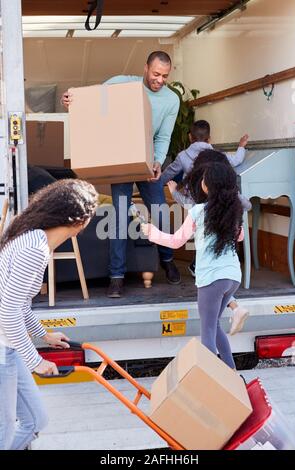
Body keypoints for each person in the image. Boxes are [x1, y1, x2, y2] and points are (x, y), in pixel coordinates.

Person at [61, 51, 181, 298]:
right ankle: (117, 276)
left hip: (147, 163)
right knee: (120, 216)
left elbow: (164, 136)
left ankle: (167, 258)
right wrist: (70, 98)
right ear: (146, 68)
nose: (160, 80)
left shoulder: (171, 100)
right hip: (122, 161)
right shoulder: (121, 83)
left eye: (165, 76)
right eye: (156, 74)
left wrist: (157, 162)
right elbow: (93, 100)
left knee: (159, 210)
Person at [0, 179, 98, 450]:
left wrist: (44, 335)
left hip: (8, 346)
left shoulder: (33, 238)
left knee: (35, 420)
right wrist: (36, 361)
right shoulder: (34, 248)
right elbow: (7, 311)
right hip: (2, 348)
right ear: (80, 219)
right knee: (5, 430)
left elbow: (19, 306)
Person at [142, 152, 244, 369]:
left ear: (207, 186)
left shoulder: (198, 211)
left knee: (207, 331)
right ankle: (231, 372)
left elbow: (176, 241)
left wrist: (151, 232)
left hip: (211, 279)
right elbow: (240, 236)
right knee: (214, 326)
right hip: (233, 277)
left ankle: (210, 380)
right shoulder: (233, 210)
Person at [162, 126, 251, 335]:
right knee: (220, 276)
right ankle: (236, 308)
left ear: (190, 137)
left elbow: (175, 182)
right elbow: (237, 163)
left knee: (209, 274)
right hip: (229, 262)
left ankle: (234, 308)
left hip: (206, 249)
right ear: (209, 138)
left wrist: (167, 185)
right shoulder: (220, 160)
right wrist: (241, 147)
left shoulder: (186, 160)